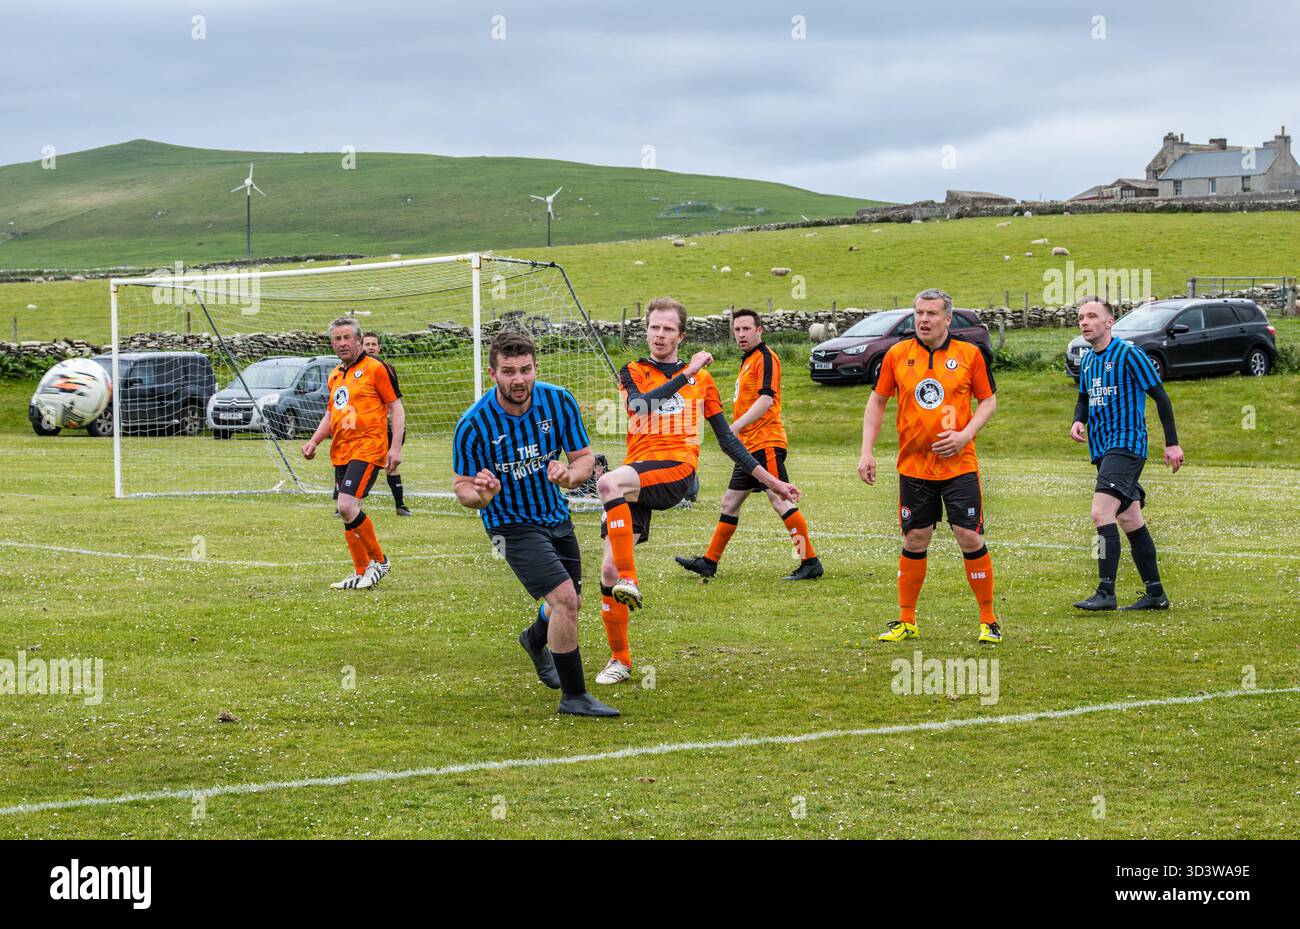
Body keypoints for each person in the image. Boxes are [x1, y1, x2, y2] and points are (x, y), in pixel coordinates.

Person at [595, 297, 801, 685]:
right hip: (637, 473)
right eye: (654, 327)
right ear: (647, 330)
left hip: (676, 471)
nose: (659, 334)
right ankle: (619, 660)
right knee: (607, 569)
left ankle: (631, 580)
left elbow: (728, 440)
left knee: (607, 483)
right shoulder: (634, 370)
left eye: (668, 328)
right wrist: (687, 372)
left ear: (681, 334)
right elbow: (640, 407)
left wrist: (773, 482)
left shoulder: (702, 382)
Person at [452, 330, 619, 717]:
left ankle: (533, 639)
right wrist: (483, 494)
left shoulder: (558, 402)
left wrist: (570, 476)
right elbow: (462, 488)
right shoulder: (473, 424)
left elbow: (584, 458)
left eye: (525, 369)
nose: (519, 379)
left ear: (535, 368)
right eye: (508, 371)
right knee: (564, 600)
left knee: (572, 601)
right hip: (509, 525)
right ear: (492, 373)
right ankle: (574, 696)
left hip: (556, 516)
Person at [858, 288, 1001, 644]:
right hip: (914, 467)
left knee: (968, 535)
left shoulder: (970, 354)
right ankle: (907, 620)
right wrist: (867, 452)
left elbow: (988, 401)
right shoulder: (897, 354)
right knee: (915, 537)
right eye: (919, 312)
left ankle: (988, 620)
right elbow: (877, 402)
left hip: (959, 465)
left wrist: (965, 435)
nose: (923, 319)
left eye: (932, 313)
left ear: (947, 319)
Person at [675, 308, 823, 581]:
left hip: (765, 440)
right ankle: (709, 562)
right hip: (749, 445)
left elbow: (766, 401)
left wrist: (733, 428)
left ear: (759, 331)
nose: (741, 334)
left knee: (780, 500)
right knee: (730, 502)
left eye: (746, 329)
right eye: (737, 330)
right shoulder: (747, 360)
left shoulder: (766, 358)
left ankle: (810, 561)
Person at [1071, 298, 1183, 611]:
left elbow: (1161, 397)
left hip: (1127, 446)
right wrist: (1078, 419)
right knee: (1129, 517)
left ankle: (1106, 592)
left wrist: (1172, 443)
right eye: (1081, 317)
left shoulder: (1130, 355)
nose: (1084, 322)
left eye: (1092, 316)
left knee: (1100, 513)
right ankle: (1156, 594)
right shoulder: (1089, 360)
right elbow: (1083, 397)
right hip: (1102, 450)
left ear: (1109, 322)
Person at [302, 317, 403, 590]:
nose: (343, 343)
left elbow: (396, 407)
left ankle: (380, 561)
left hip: (368, 447)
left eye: (348, 337)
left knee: (346, 506)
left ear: (359, 340)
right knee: (347, 512)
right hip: (342, 451)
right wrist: (314, 441)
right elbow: (330, 413)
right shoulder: (335, 374)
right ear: (332, 343)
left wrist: (395, 448)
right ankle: (360, 572)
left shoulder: (376, 369)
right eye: (338, 338)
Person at [361, 333, 411, 516]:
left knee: (391, 465)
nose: (371, 347)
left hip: (386, 426)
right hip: (364, 428)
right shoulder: (353, 369)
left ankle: (400, 505)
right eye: (367, 344)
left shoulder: (386, 368)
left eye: (374, 344)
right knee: (358, 462)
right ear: (360, 346)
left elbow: (394, 402)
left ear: (379, 348)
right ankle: (344, 504)